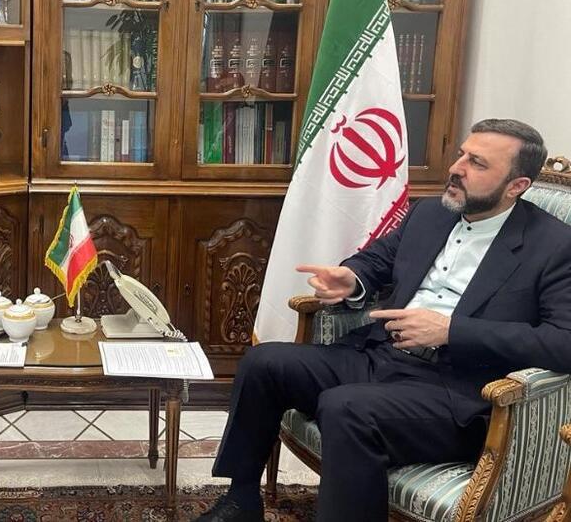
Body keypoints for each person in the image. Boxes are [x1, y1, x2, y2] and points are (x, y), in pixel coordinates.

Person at [196, 119, 571, 522]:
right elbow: (378, 260)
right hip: (381, 354)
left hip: (457, 392)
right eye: (461, 154)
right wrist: (352, 277)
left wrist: (451, 331)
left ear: (516, 186)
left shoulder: (554, 246)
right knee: (264, 362)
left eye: (477, 163)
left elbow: (563, 342)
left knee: (346, 408)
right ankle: (241, 500)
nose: (456, 168)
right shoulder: (431, 213)